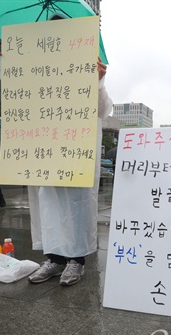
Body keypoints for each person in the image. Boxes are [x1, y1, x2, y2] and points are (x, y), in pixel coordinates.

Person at [27, 58, 113, 286]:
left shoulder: (87, 74)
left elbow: (103, 111)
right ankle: (55, 259)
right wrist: (16, 65)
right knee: (49, 206)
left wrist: (99, 82)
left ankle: (76, 260)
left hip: (77, 155)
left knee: (78, 207)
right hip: (46, 152)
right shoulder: (40, 74)